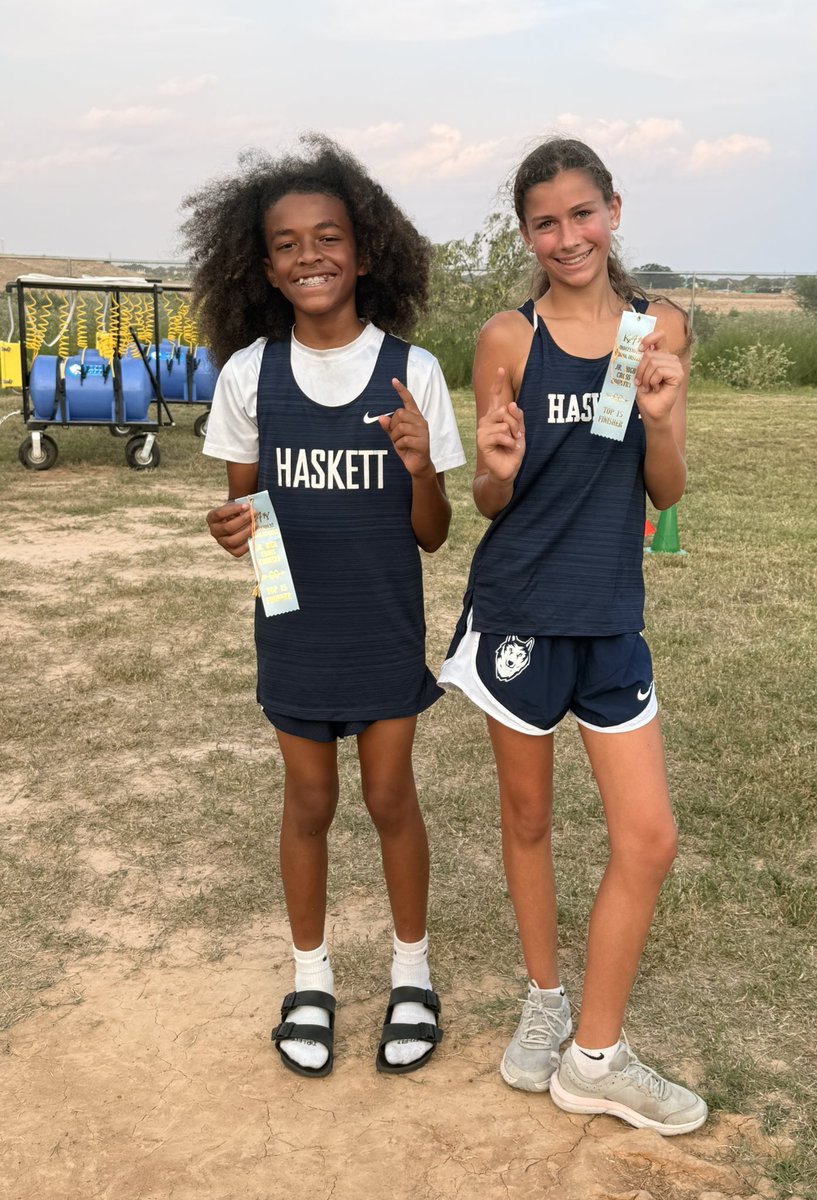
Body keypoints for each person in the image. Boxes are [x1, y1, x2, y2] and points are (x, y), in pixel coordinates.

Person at [439, 137, 707, 1134]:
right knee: (528, 819)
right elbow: (489, 500)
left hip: (609, 618)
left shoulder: (662, 327)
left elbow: (665, 493)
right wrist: (495, 466)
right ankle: (546, 1002)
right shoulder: (506, 336)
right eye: (546, 222)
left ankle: (593, 1058)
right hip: (518, 611)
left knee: (649, 836)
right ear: (527, 234)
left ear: (615, 210)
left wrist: (665, 421)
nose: (567, 237)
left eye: (583, 214)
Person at [183, 135, 465, 1078]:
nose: (310, 254)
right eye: (288, 242)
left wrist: (421, 465)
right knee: (308, 801)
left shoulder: (410, 372)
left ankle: (412, 974)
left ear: (366, 250)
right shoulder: (246, 377)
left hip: (384, 629)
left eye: (329, 236)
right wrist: (239, 537)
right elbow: (249, 515)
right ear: (262, 265)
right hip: (299, 635)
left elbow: (433, 533)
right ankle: (311, 978)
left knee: (390, 798)